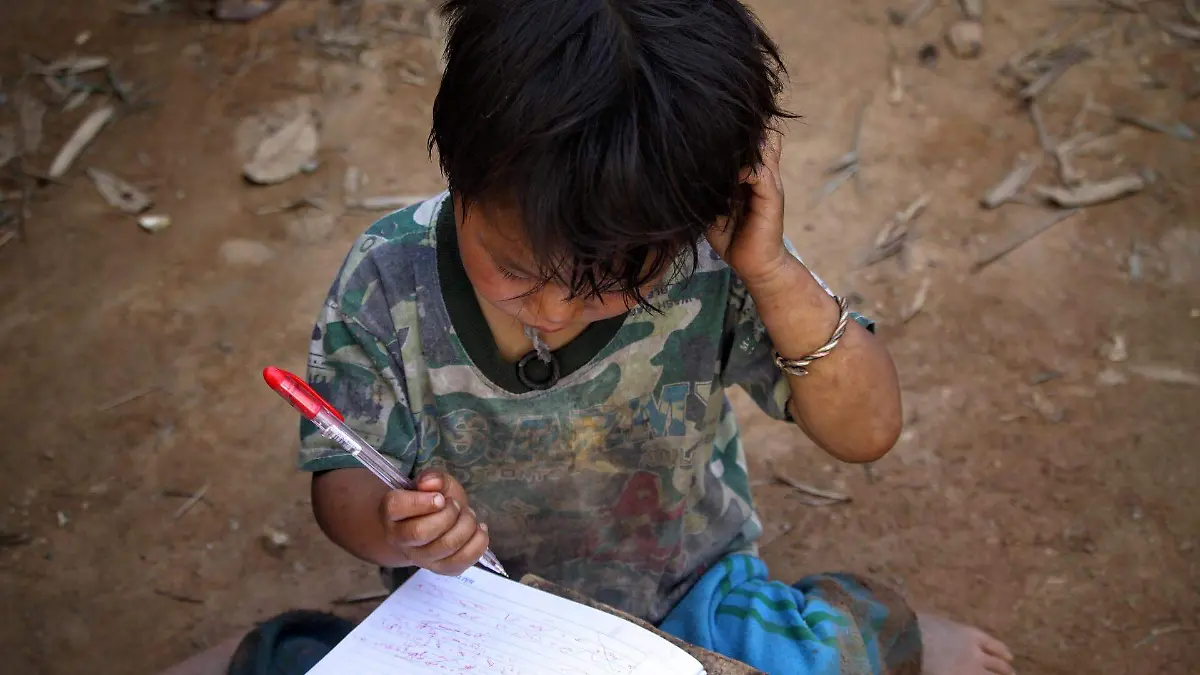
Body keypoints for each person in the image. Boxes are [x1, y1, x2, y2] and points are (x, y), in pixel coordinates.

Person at [285, 1, 1017, 674]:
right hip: (479, 614)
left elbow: (868, 430)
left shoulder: (711, 260)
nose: (553, 311)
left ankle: (897, 636)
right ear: (460, 171)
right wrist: (394, 527)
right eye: (514, 270)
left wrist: (770, 270)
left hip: (687, 596)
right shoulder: (387, 276)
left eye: (608, 284)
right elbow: (341, 481)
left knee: (820, 658)